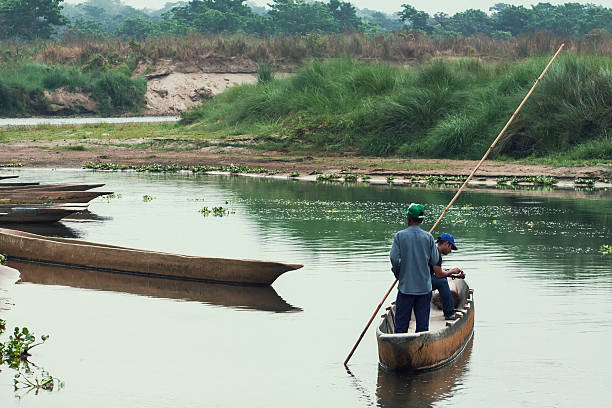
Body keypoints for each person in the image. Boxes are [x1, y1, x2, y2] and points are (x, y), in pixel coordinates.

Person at [389, 203, 440, 333]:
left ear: (409, 218)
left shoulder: (400, 236)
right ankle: (421, 350)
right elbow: (435, 260)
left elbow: (394, 259)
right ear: (421, 220)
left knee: (400, 326)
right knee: (422, 328)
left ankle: (399, 350)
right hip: (424, 288)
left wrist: (398, 273)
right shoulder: (428, 237)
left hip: (406, 288)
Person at [430, 233, 465, 320]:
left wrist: (455, 275)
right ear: (446, 244)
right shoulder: (435, 253)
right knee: (442, 282)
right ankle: (449, 313)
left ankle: (448, 309)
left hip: (423, 278)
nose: (450, 251)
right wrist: (452, 271)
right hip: (422, 281)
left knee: (443, 279)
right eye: (450, 247)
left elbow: (437, 272)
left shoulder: (433, 250)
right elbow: (439, 275)